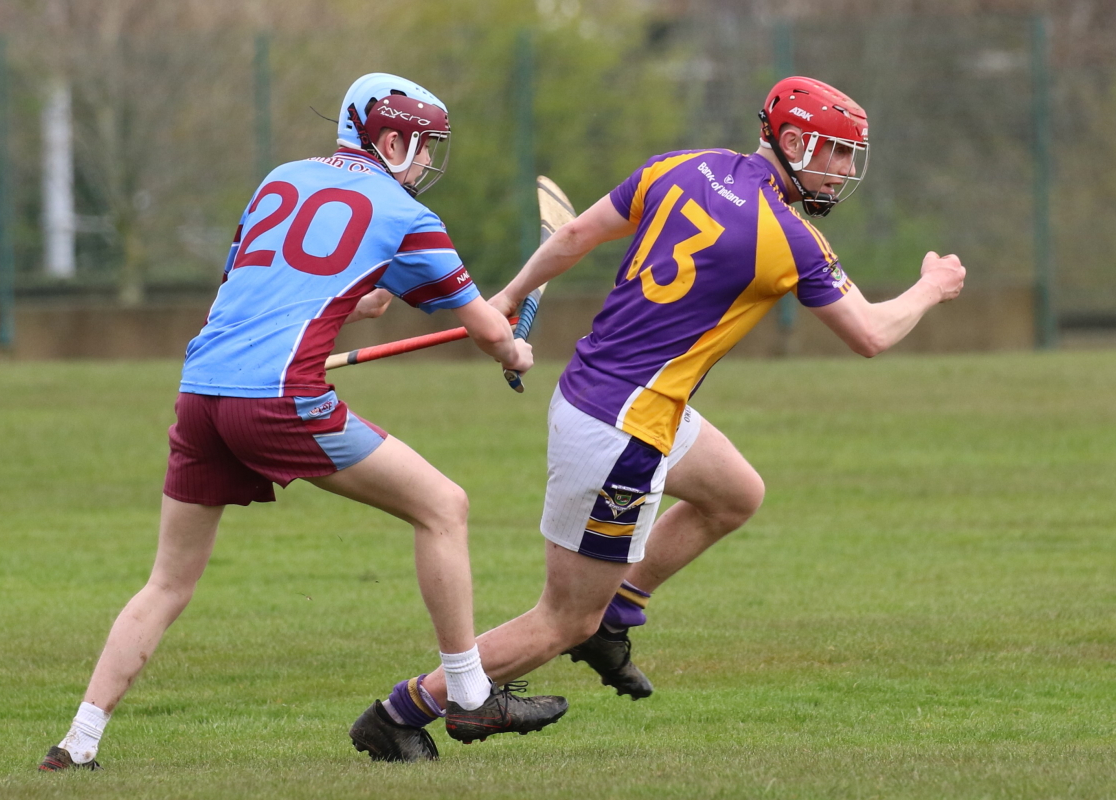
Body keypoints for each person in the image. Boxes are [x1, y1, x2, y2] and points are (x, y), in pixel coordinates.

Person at [359, 75, 966, 757]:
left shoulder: (681, 167)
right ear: (792, 142)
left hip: (604, 395)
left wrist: (507, 295)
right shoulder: (789, 238)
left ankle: (620, 607)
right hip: (623, 434)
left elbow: (579, 234)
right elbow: (872, 334)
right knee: (561, 619)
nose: (845, 170)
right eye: (837, 153)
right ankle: (402, 710)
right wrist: (931, 287)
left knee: (735, 493)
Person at [38, 72, 567, 772]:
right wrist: (514, 346)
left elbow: (290, 290)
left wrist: (367, 304)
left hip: (201, 393)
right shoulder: (406, 215)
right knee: (444, 506)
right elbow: (488, 332)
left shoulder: (282, 178)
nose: (428, 161)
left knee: (167, 581)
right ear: (389, 137)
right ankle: (470, 694)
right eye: (422, 145)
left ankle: (78, 743)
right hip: (280, 399)